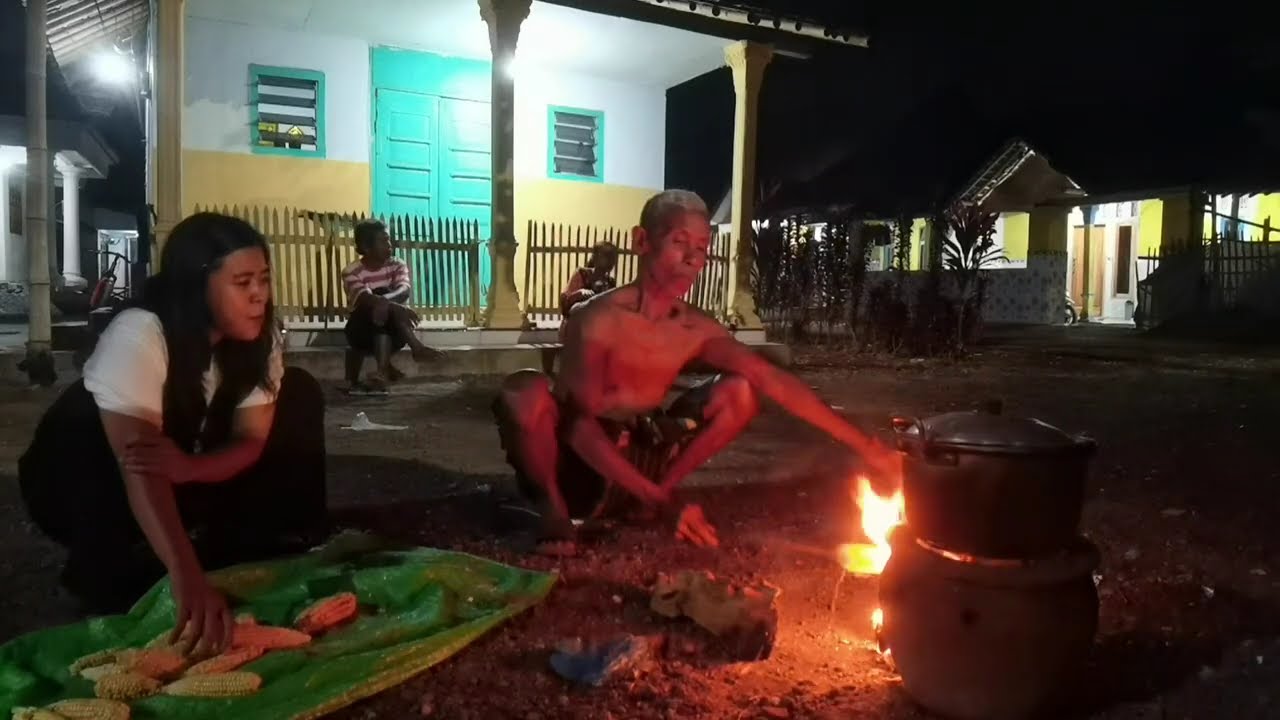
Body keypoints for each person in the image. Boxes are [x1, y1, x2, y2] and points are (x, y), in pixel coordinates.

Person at [493, 190, 900, 556]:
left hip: (638, 456)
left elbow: (771, 379)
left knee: (740, 390)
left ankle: (652, 495)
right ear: (642, 242)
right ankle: (555, 511)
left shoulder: (694, 329)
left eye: (702, 248)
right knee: (524, 390)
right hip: (577, 471)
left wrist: (866, 446)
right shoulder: (596, 318)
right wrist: (664, 505)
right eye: (679, 243)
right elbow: (578, 427)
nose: (692, 258)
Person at [19, 212, 331, 655]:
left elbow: (252, 441)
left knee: (298, 393)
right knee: (89, 429)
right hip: (79, 487)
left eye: (264, 278)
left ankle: (271, 542)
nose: (260, 295)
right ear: (196, 285)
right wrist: (187, 578)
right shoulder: (141, 332)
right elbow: (139, 467)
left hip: (176, 467)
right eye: (243, 283)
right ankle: (103, 567)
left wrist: (191, 468)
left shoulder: (259, 339)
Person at [341, 220, 443, 393]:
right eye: (384, 241)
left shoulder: (397, 264)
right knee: (377, 301)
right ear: (366, 247)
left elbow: (404, 290)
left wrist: (386, 303)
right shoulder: (352, 271)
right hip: (360, 332)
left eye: (389, 240)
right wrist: (396, 307)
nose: (390, 245)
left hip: (396, 331)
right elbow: (364, 298)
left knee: (382, 303)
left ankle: (382, 372)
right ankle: (415, 348)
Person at [559, 241, 619, 335]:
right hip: (576, 329)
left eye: (613, 257)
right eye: (606, 256)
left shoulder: (610, 283)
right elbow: (565, 305)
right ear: (595, 257)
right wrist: (579, 293)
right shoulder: (581, 274)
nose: (611, 260)